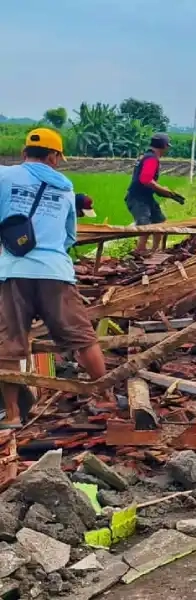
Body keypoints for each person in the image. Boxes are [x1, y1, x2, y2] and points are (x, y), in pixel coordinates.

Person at [0, 129, 109, 428]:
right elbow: (70, 236)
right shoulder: (65, 187)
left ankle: (12, 416)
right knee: (82, 337)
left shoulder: (4, 176)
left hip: (13, 272)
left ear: (24, 154)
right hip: (55, 272)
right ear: (52, 156)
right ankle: (107, 396)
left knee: (7, 344)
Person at [125, 133, 183, 256]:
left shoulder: (146, 156)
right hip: (137, 198)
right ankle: (140, 250)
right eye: (167, 146)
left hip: (146, 196)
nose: (167, 149)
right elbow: (146, 179)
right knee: (145, 224)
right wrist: (162, 190)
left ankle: (155, 250)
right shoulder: (151, 159)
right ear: (163, 146)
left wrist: (164, 192)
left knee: (160, 222)